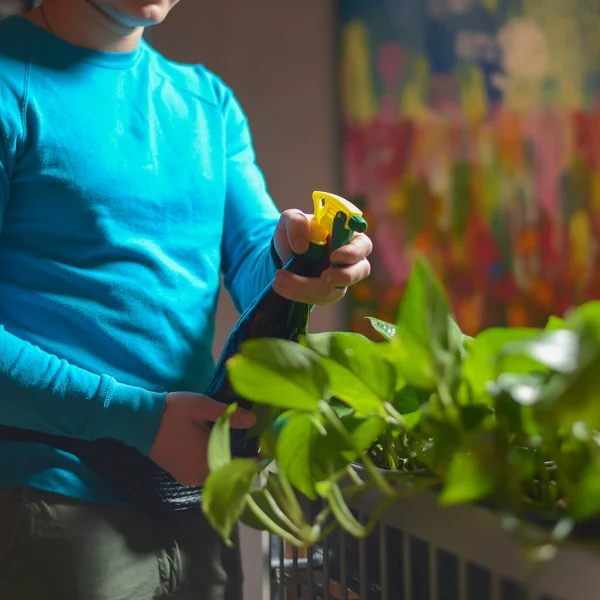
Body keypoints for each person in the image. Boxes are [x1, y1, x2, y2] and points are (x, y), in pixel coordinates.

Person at [0, 1, 373, 599]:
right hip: (51, 500)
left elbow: (258, 256)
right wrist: (133, 419)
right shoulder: (8, 81)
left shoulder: (207, 102)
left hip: (197, 500)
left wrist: (300, 256)